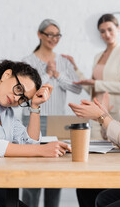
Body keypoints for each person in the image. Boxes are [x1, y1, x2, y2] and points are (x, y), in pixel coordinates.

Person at [0, 59, 71, 207]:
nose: (17, 98)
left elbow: (28, 142)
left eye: (23, 99)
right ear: (6, 74)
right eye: (19, 89)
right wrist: (43, 150)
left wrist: (35, 107)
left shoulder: (6, 111)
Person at [21, 19, 82, 207]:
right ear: (40, 35)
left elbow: (77, 89)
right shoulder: (28, 62)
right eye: (49, 34)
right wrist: (47, 74)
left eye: (57, 35)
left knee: (56, 174)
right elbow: (27, 92)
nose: (53, 39)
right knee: (32, 173)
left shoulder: (64, 61)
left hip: (57, 122)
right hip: (33, 120)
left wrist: (58, 75)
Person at [69, 63, 120, 207]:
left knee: (104, 200)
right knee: (86, 189)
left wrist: (103, 116)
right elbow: (117, 137)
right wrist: (102, 117)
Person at [62, 13, 120, 139]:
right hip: (95, 111)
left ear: (118, 28)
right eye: (102, 31)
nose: (107, 34)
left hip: (115, 112)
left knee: (117, 152)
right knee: (94, 150)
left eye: (110, 29)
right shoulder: (98, 56)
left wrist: (95, 83)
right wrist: (75, 68)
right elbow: (92, 88)